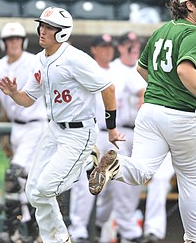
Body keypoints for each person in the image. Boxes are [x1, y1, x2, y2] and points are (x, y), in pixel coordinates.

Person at [88, 0, 196, 243]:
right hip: (185, 117)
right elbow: (185, 71)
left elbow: (142, 68)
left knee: (141, 170)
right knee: (191, 186)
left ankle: (115, 164)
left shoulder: (161, 30)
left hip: (151, 112)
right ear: (189, 5)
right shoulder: (195, 34)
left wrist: (164, 89)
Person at [0, 6, 124, 243]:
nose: (42, 31)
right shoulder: (38, 60)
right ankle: (57, 237)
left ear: (62, 33)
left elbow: (109, 88)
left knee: (45, 187)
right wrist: (14, 93)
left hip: (79, 131)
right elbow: (27, 100)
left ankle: (88, 164)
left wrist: (112, 128)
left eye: (49, 28)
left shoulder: (75, 59)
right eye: (42, 26)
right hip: (54, 129)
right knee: (33, 192)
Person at [69, 32, 147, 243]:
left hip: (116, 133)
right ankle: (78, 230)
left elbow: (141, 89)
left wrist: (143, 98)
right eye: (102, 47)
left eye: (109, 47)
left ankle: (123, 229)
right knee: (85, 183)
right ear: (94, 49)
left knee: (120, 185)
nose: (107, 50)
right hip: (93, 133)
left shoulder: (118, 71)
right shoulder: (87, 68)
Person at [0, 22, 48, 243]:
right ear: (3, 43)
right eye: (10, 40)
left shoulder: (33, 61)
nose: (14, 43)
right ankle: (34, 232)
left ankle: (11, 231)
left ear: (23, 41)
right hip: (16, 129)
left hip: (37, 125)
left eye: (17, 39)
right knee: (26, 182)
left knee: (13, 175)